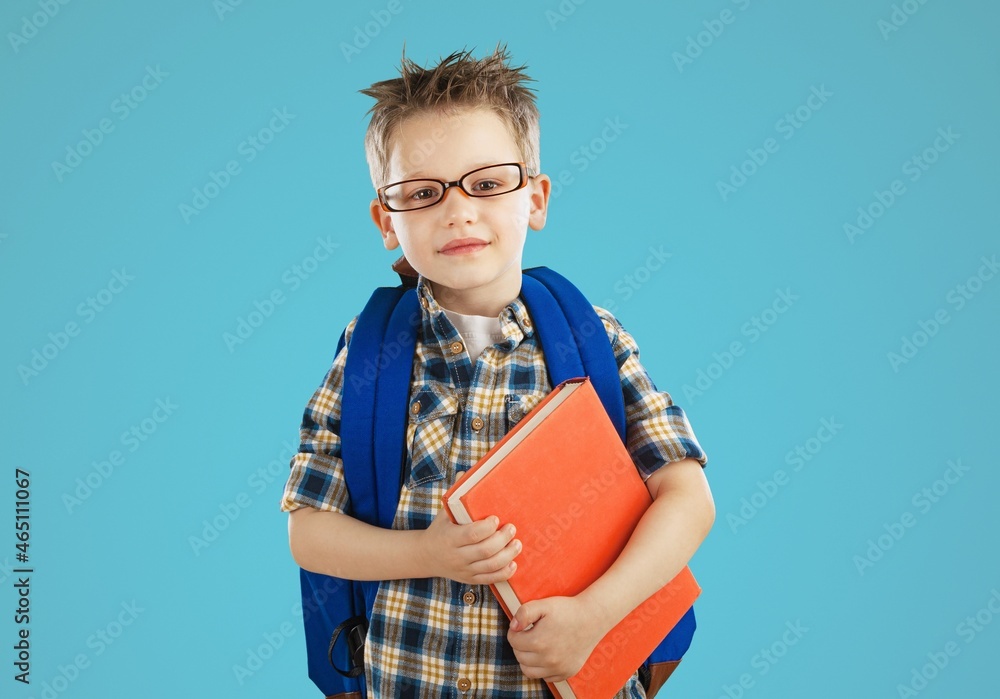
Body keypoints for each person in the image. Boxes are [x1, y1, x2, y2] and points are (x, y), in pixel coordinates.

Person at [280, 44, 715, 699]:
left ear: (535, 200)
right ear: (386, 221)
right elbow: (308, 530)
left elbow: (688, 500)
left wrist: (594, 617)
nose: (458, 210)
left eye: (487, 183)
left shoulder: (592, 338)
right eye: (422, 192)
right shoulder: (368, 350)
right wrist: (426, 554)